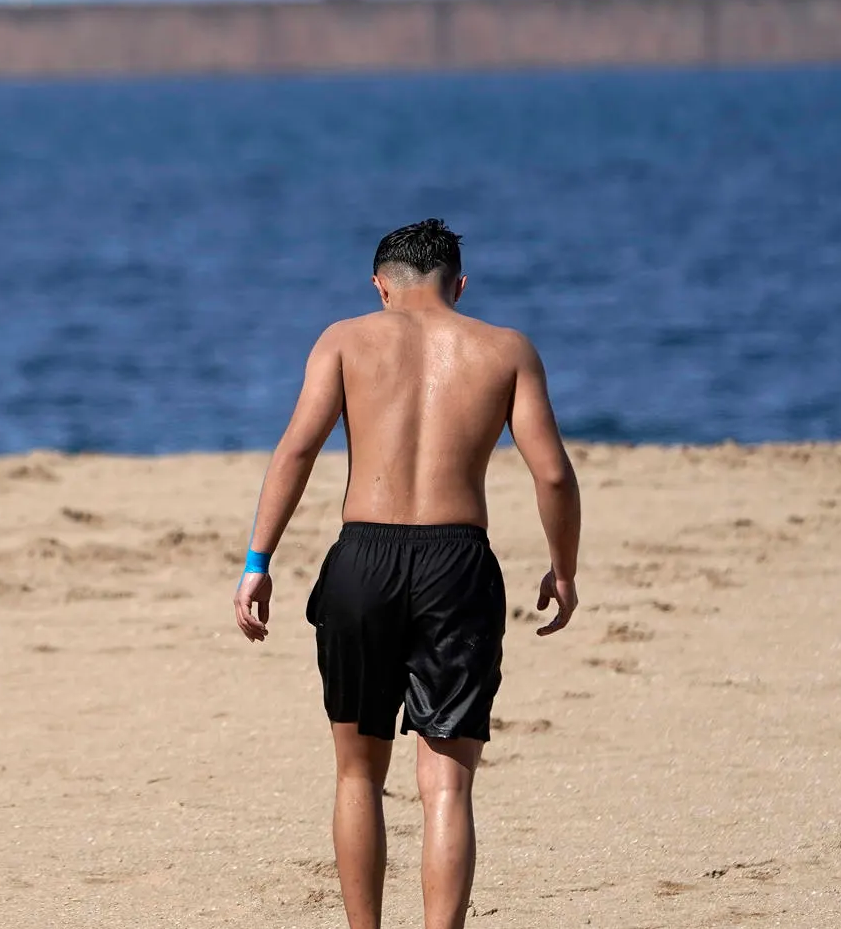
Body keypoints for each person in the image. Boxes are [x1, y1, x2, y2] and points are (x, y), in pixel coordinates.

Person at [232, 219, 581, 929]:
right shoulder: (506, 349)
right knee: (447, 784)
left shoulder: (343, 339)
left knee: (358, 772)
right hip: (458, 563)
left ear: (380, 287)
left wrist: (257, 562)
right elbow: (551, 473)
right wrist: (563, 569)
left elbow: (296, 452)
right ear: (459, 284)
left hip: (363, 560)